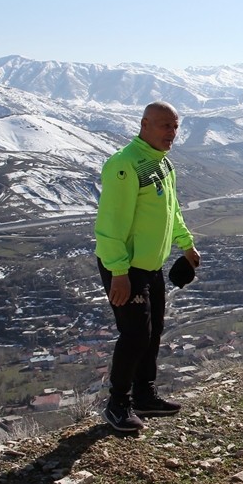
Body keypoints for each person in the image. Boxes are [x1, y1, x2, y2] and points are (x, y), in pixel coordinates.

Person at [94, 101, 201, 433]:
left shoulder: (162, 163)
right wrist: (118, 272)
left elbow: (171, 211)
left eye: (175, 126)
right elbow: (110, 224)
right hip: (126, 268)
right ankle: (117, 404)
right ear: (144, 125)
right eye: (165, 125)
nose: (172, 132)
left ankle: (144, 395)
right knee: (135, 334)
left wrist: (186, 244)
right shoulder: (124, 165)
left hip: (152, 265)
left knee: (153, 332)